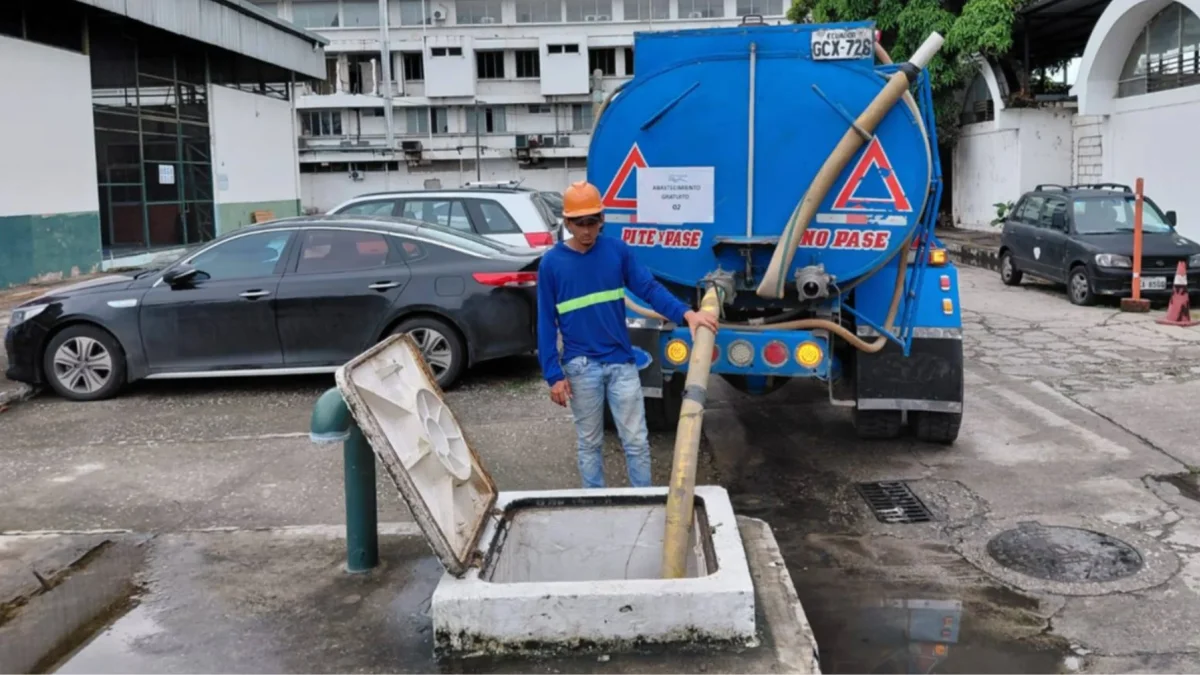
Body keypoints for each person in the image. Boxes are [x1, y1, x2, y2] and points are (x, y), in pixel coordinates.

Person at [537, 181, 719, 489]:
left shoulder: (616, 252)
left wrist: (687, 314)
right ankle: (594, 506)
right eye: (579, 223)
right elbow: (544, 322)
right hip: (581, 367)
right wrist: (553, 375)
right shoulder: (552, 264)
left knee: (635, 441)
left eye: (592, 221)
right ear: (566, 222)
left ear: (602, 219)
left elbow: (648, 288)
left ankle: (643, 502)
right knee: (590, 443)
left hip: (622, 363)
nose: (586, 230)